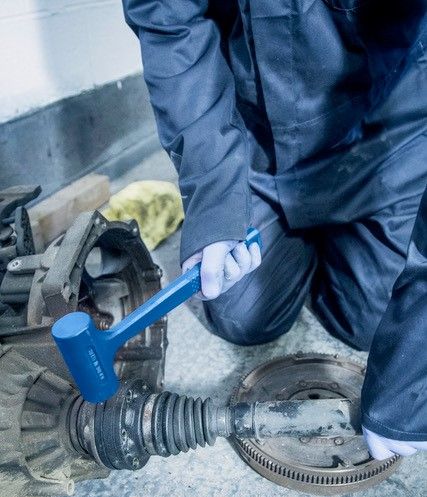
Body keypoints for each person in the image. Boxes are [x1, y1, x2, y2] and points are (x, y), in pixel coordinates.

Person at [122, 1, 427, 459]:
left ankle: (338, 241)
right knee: (242, 316)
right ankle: (306, 237)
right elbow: (171, 25)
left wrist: (418, 363)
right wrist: (215, 195)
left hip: (389, 144)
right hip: (260, 144)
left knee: (376, 326)